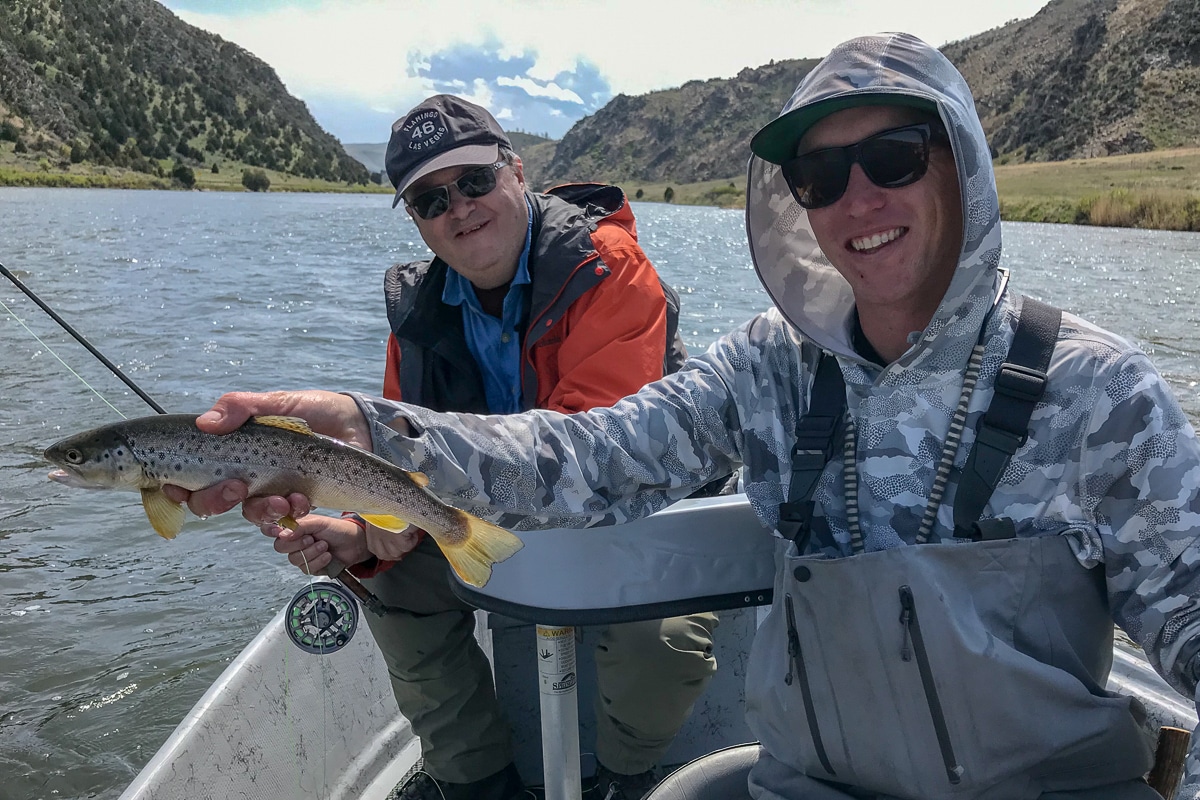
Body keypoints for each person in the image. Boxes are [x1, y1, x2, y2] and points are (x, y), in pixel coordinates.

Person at [173, 34, 1200, 800]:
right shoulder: (768, 364)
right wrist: (370, 430)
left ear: (962, 167)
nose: (857, 198)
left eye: (893, 157)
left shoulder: (1102, 392)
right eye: (820, 174)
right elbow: (590, 454)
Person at [188, 95, 719, 800]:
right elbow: (398, 476)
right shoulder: (416, 320)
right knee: (392, 585)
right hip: (491, 518)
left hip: (631, 514)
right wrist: (360, 531)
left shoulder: (610, 270)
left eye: (474, 181)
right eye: (431, 199)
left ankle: (625, 775)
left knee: (662, 638)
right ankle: (477, 782)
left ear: (516, 171)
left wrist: (405, 484)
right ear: (415, 220)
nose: (460, 208)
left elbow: (596, 458)